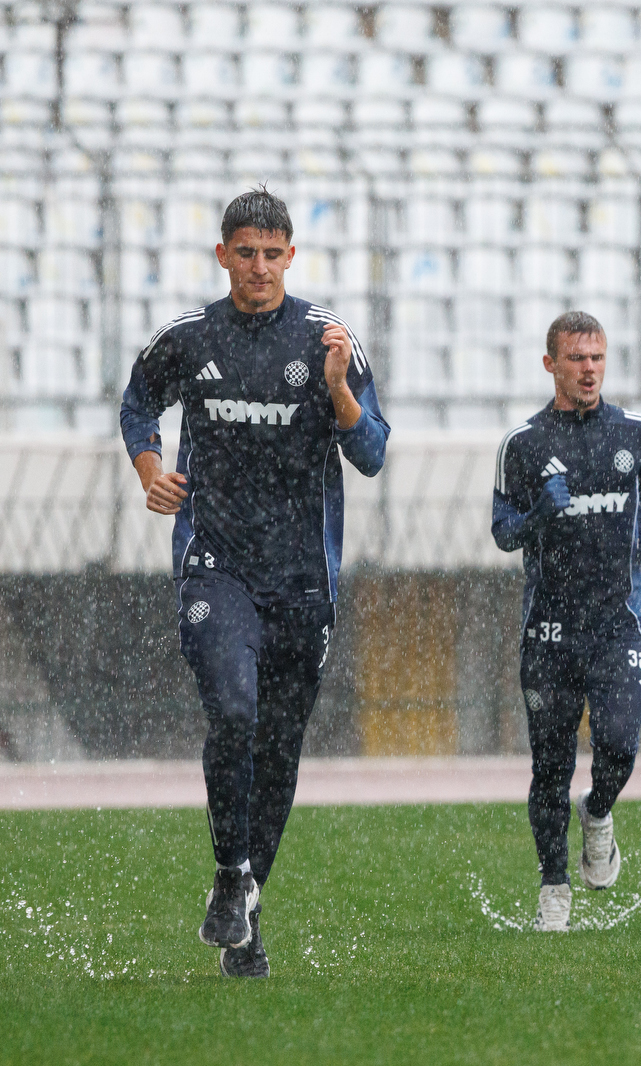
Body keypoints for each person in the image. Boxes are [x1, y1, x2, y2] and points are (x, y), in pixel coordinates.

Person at [119, 187, 390, 977]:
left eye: (274, 254)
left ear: (291, 257)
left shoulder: (328, 339)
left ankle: (246, 903)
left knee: (278, 748)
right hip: (218, 563)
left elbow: (371, 453)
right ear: (223, 255)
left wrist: (337, 387)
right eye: (246, 252)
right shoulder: (191, 337)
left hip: (304, 577)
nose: (260, 267)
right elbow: (138, 404)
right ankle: (231, 875)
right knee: (234, 711)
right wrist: (150, 471)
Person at [492, 311, 641, 932]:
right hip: (550, 630)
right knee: (550, 764)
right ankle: (553, 886)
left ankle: (597, 813)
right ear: (551, 365)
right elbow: (503, 532)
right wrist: (541, 510)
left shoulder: (636, 434)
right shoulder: (525, 445)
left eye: (596, 358)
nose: (588, 370)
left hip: (617, 625)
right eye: (576, 359)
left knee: (619, 743)